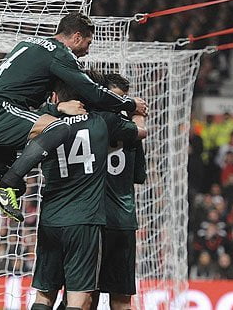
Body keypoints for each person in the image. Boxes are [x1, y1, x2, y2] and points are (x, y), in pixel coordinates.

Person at [0, 12, 147, 222]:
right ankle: (4, 185)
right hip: (0, 114)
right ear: (77, 37)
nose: (87, 51)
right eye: (88, 43)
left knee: (18, 187)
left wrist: (59, 106)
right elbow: (94, 92)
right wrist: (130, 103)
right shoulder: (60, 53)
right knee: (58, 129)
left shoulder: (30, 43)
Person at [30, 76, 146, 310]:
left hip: (71, 216)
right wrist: (136, 111)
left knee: (67, 294)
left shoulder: (55, 123)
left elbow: (30, 122)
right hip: (111, 219)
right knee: (110, 299)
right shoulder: (110, 123)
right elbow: (138, 173)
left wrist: (57, 107)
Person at [88, 73, 146, 310]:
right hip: (122, 220)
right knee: (121, 300)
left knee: (84, 296)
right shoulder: (131, 131)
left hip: (90, 219)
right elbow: (138, 176)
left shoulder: (88, 121)